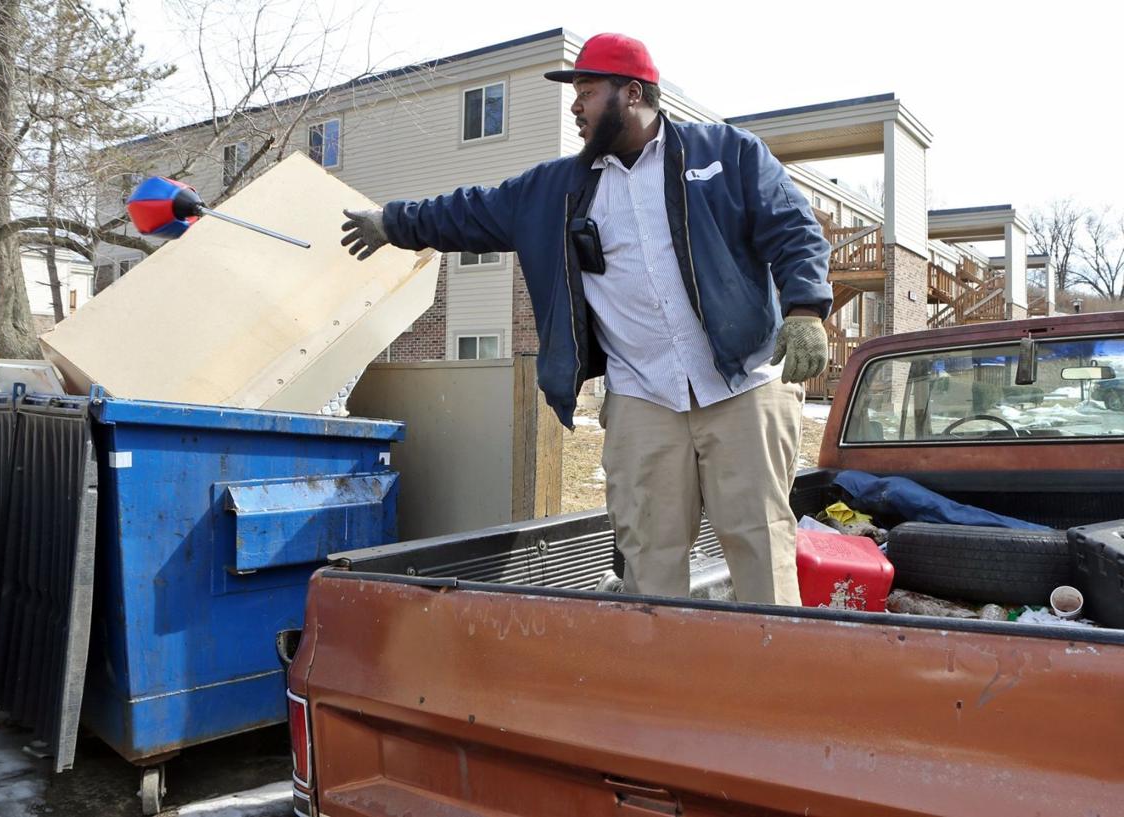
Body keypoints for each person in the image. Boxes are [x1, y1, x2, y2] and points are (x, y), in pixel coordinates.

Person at [340, 33, 832, 605]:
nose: (574, 105)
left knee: (761, 547)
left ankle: (774, 689)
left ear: (633, 92)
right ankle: (659, 688)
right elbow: (467, 212)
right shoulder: (556, 189)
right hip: (644, 398)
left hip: (743, 387)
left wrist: (805, 309)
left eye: (588, 91)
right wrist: (391, 222)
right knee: (649, 562)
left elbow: (794, 229)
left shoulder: (727, 154)